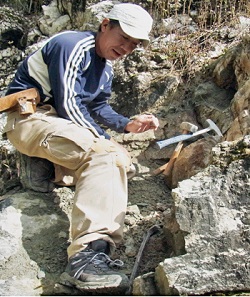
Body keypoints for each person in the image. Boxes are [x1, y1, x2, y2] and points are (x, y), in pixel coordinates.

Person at [3, 2, 159, 294]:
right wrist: (106, 141)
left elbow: (97, 106)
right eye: (123, 37)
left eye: (134, 44)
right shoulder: (72, 44)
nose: (127, 47)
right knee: (105, 156)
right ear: (104, 24)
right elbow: (68, 103)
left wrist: (127, 124)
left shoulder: (105, 68)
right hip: (31, 118)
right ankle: (87, 256)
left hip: (60, 126)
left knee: (123, 163)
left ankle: (47, 169)